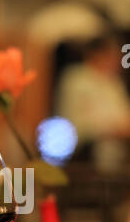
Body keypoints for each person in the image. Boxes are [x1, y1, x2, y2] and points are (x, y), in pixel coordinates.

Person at [55, 35, 130, 171]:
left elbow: (124, 113)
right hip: (85, 156)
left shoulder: (113, 83)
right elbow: (77, 123)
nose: (116, 61)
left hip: (116, 157)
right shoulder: (77, 79)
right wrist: (114, 128)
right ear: (96, 55)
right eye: (111, 56)